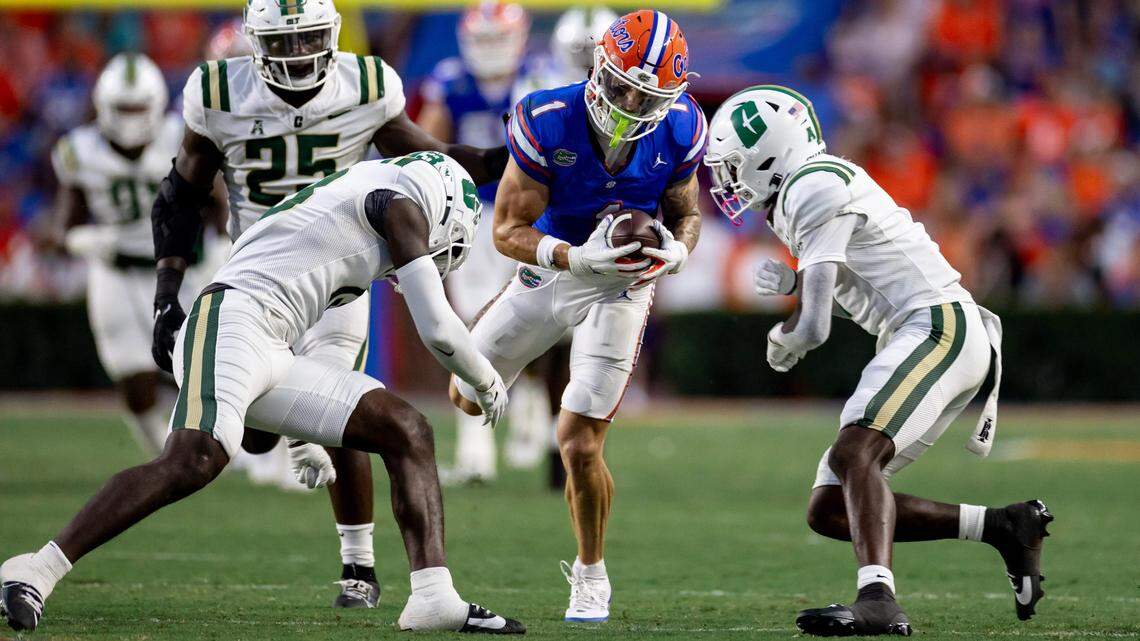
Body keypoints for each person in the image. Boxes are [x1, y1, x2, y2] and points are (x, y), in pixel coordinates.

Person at [0, 152, 524, 636]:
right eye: (443, 246)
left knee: (406, 428)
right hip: (229, 321)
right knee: (194, 459)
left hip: (271, 343)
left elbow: (303, 304)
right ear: (443, 210)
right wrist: (486, 377)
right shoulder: (400, 205)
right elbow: (438, 328)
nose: (434, 257)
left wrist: (308, 431)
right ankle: (35, 569)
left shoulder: (369, 191)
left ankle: (434, 596)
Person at [148, 0, 509, 608]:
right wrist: (166, 292)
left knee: (346, 399)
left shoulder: (363, 85)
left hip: (339, 268)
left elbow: (432, 154)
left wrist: (519, 158)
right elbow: (180, 195)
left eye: (309, 39)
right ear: (254, 42)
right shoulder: (218, 91)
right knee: (257, 436)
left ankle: (359, 565)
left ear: (333, 35)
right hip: (258, 277)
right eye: (283, 43)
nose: (296, 55)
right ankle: (292, 438)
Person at [703, 85, 1053, 636]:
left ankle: (878, 602)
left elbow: (814, 328)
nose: (727, 179)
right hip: (920, 329)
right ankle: (1004, 526)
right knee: (829, 508)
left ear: (770, 155)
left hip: (939, 328)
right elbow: (869, 297)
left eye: (735, 165)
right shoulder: (810, 185)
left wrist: (788, 335)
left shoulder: (811, 186)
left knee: (854, 452)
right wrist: (799, 284)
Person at [448, 10, 706, 623]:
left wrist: (678, 250)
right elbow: (506, 230)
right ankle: (512, 405)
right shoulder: (546, 116)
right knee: (463, 395)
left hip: (622, 287)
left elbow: (686, 214)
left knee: (580, 444)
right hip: (552, 268)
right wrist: (571, 256)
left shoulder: (680, 127)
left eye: (648, 95)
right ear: (597, 64)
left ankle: (591, 574)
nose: (631, 101)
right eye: (621, 85)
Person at [48, 53, 224, 456]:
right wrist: (82, 240)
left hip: (183, 266)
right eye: (123, 108)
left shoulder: (181, 136)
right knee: (134, 380)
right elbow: (63, 225)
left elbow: (218, 200)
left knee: (199, 368)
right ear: (103, 107)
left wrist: (220, 246)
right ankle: (159, 451)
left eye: (137, 108)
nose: (130, 117)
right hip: (117, 271)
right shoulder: (80, 150)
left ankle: (222, 444)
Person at [417, 1, 550, 484]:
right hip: (470, 218)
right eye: (484, 40)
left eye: (500, 38)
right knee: (470, 326)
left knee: (529, 319)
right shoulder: (451, 82)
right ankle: (477, 445)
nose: (492, 50)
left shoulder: (540, 78)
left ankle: (531, 407)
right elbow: (427, 149)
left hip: (526, 216)